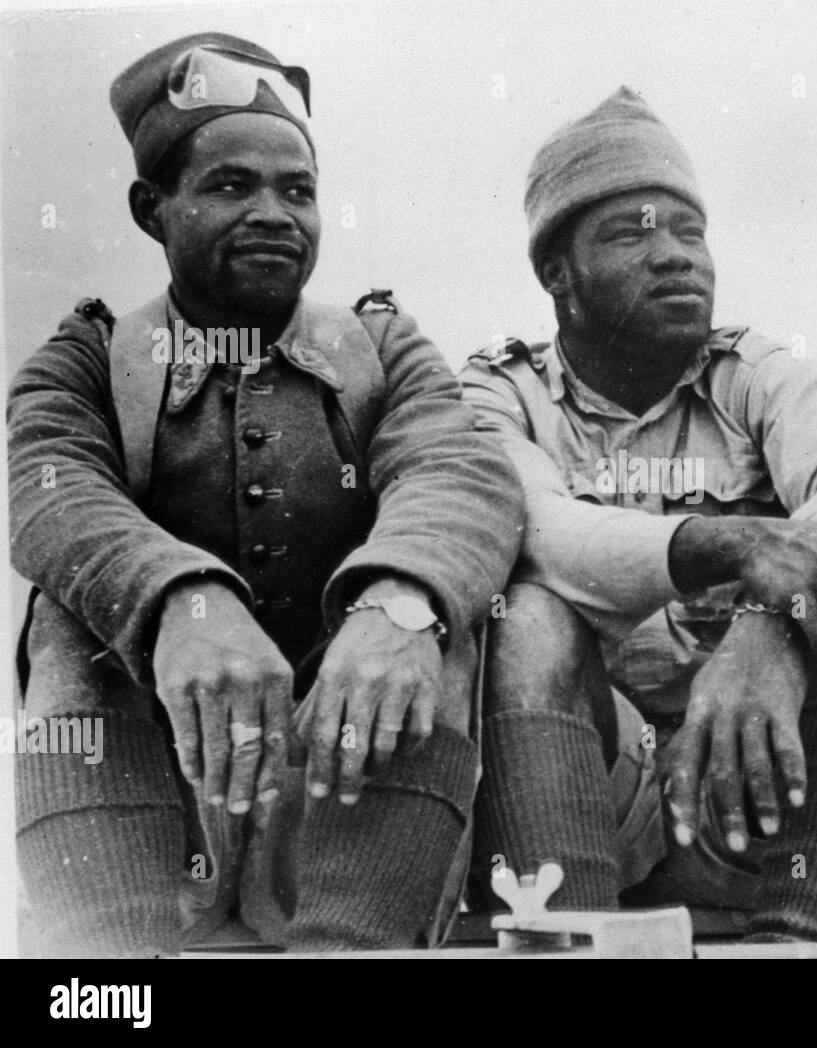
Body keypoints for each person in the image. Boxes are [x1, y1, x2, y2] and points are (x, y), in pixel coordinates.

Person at [9, 32, 523, 956]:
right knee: (62, 617)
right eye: (230, 186)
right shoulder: (90, 356)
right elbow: (48, 488)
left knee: (437, 613)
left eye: (298, 191)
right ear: (152, 208)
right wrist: (182, 598)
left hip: (351, 780)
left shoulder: (381, 345)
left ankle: (346, 944)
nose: (275, 214)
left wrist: (398, 601)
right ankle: (104, 970)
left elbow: (457, 469)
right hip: (167, 799)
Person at [460, 87, 817, 942]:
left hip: (747, 783)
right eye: (631, 232)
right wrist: (738, 543)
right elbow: (535, 526)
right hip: (581, 787)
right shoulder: (501, 393)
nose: (675, 256)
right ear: (556, 274)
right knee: (528, 616)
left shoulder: (755, 372)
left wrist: (771, 630)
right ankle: (569, 948)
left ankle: (799, 941)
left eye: (689, 232)